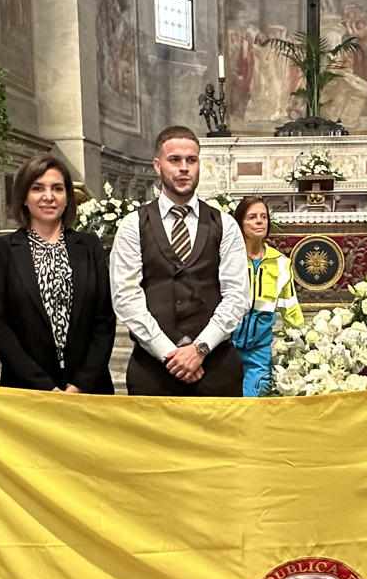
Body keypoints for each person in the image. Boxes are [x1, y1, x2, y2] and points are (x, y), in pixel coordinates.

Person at [109, 125, 247, 396]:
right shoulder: (133, 225)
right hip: (153, 368)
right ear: (158, 166)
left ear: (199, 165)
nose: (184, 168)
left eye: (191, 160)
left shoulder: (225, 224)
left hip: (215, 365)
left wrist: (199, 350)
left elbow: (237, 296)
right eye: (175, 160)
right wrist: (169, 354)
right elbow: (125, 297)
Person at [0, 152, 117, 395]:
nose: (48, 196)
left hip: (89, 387)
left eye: (57, 188)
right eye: (37, 188)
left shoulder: (89, 246)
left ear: (68, 198)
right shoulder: (0, 250)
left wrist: (82, 382)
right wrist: (43, 386)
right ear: (24, 197)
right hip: (27, 390)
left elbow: (104, 319)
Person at [230, 196, 302, 395]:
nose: (260, 221)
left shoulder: (281, 262)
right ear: (239, 223)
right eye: (252, 217)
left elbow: (290, 307)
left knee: (256, 403)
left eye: (263, 216)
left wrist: (302, 342)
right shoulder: (227, 258)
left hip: (259, 352)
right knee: (224, 405)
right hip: (224, 348)